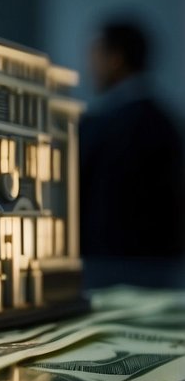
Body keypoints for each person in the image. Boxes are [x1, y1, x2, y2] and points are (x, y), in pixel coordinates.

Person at [79, 17, 185, 287]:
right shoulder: (166, 121)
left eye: (96, 53)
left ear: (115, 58)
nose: (91, 64)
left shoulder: (102, 124)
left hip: (106, 267)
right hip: (162, 266)